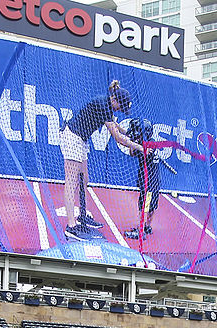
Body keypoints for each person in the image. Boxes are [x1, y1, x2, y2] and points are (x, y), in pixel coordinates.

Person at [60, 80, 145, 242]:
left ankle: (82, 216)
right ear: (114, 100)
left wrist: (129, 133)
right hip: (72, 138)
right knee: (71, 183)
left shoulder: (107, 103)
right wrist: (139, 147)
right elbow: (118, 138)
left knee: (84, 180)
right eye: (121, 106)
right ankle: (71, 227)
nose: (120, 110)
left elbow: (117, 126)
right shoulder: (103, 105)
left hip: (81, 140)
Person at [121, 118, 161, 241]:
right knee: (150, 205)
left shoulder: (147, 147)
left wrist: (134, 144)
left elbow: (132, 151)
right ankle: (147, 226)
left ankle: (141, 230)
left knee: (145, 205)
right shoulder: (149, 143)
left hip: (149, 182)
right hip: (153, 181)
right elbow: (133, 151)